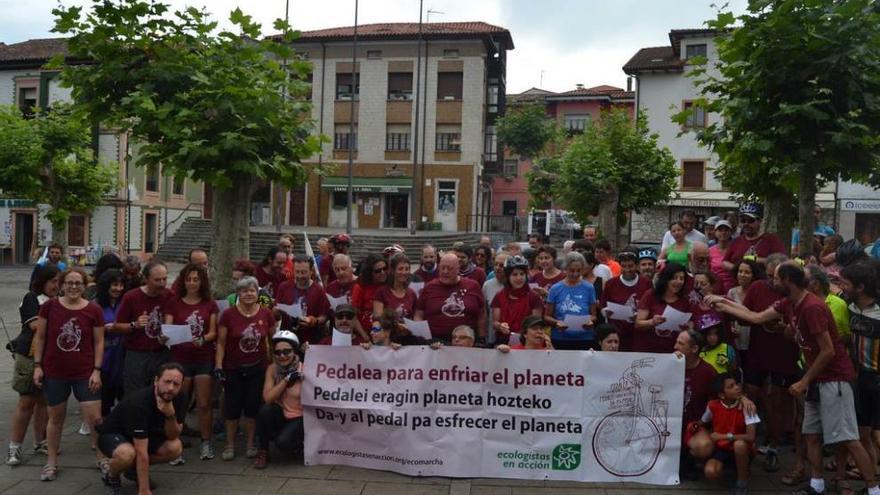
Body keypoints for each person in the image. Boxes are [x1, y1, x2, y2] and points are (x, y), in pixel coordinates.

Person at [707, 263, 879, 495]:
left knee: (848, 438)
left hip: (834, 379)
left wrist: (804, 380)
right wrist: (722, 302)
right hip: (816, 380)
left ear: (787, 280)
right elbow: (756, 317)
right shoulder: (789, 303)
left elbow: (828, 351)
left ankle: (873, 489)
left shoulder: (812, 307)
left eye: (775, 278)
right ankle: (816, 485)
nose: (771, 282)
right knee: (810, 435)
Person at [32, 267, 105, 482]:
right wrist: (38, 365)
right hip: (55, 372)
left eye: (78, 283)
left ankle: (102, 457)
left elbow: (99, 342)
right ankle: (52, 462)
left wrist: (97, 370)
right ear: (62, 285)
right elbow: (41, 338)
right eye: (69, 283)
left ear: (85, 286)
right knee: (55, 419)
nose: (73, 287)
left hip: (85, 372)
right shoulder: (49, 307)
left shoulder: (93, 310)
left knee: (95, 418)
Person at [733, 253, 796, 473]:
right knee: (751, 394)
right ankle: (748, 443)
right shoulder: (758, 287)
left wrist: (784, 328)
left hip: (784, 355)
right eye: (770, 277)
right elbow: (745, 317)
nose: (773, 282)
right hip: (757, 352)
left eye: (777, 278)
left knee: (778, 401)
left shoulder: (793, 293)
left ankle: (774, 447)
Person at [96, 363, 186, 495]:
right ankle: (111, 476)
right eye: (167, 382)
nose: (171, 388)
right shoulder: (139, 402)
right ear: (156, 381)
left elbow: (173, 435)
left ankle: (132, 469)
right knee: (126, 454)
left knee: (175, 447)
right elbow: (141, 451)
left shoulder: (180, 397)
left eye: (176, 384)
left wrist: (170, 416)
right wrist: (144, 490)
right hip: (114, 434)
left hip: (148, 435)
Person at [215, 276, 277, 461]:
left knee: (252, 408)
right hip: (233, 367)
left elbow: (274, 341)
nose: (249, 294)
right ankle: (230, 444)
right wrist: (218, 365)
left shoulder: (266, 313)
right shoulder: (228, 314)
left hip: (258, 367)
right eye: (244, 291)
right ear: (238, 294)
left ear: (257, 292)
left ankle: (251, 444)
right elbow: (221, 343)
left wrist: (274, 363)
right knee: (232, 408)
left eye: (252, 290)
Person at [162, 263, 219, 461]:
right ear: (182, 281)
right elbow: (167, 329)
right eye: (188, 279)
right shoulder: (174, 303)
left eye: (196, 279)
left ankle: (206, 442)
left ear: (202, 281)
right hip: (179, 359)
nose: (192, 283)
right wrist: (164, 337)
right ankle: (174, 443)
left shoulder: (209, 304)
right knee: (179, 402)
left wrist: (203, 339)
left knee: (204, 403)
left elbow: (213, 332)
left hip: (202, 358)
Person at [6, 264, 58, 466]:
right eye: (53, 281)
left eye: (57, 282)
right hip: (29, 356)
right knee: (26, 402)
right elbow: (36, 326)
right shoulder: (32, 298)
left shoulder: (57, 300)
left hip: (50, 357)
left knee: (44, 402)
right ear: (42, 281)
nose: (56, 285)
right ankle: (14, 447)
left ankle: (41, 441)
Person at [839, 261, 880, 479]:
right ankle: (871, 477)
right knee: (864, 433)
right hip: (859, 378)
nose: (841, 286)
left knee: (869, 434)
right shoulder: (851, 306)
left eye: (845, 283)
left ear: (861, 287)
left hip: (876, 380)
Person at [693, 373, 760, 495]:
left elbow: (751, 437)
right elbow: (702, 422)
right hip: (722, 448)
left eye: (736, 384)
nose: (737, 387)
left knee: (739, 445)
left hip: (742, 448)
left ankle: (742, 482)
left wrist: (724, 436)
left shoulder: (748, 406)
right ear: (721, 395)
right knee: (710, 472)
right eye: (731, 386)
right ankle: (732, 470)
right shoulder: (713, 405)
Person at [114, 261, 172, 395]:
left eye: (164, 279)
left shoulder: (169, 295)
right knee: (135, 395)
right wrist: (134, 324)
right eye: (157, 280)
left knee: (160, 393)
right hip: (137, 354)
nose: (162, 283)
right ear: (146, 279)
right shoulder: (131, 297)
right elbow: (117, 326)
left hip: (161, 352)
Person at [254, 331, 304, 469]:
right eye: (278, 352)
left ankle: (301, 445)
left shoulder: (305, 368)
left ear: (294, 351)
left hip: (300, 417)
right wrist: (286, 380)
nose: (282, 356)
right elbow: (268, 398)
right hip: (281, 414)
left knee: (283, 443)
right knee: (265, 410)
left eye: (287, 351)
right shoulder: (272, 369)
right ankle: (263, 451)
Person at [414, 253, 486, 343]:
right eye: (442, 268)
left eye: (450, 268)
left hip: (466, 343)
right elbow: (418, 314)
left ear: (458, 269)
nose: (445, 271)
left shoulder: (473, 286)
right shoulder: (429, 287)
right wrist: (422, 338)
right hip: (436, 343)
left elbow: (481, 315)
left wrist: (481, 338)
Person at [634, 263, 696, 353]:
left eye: (681, 278)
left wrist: (687, 328)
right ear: (666, 279)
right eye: (674, 278)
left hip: (672, 351)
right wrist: (652, 322)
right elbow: (638, 323)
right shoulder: (650, 295)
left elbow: (690, 326)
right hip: (647, 350)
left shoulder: (685, 300)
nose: (678, 281)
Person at [600, 250, 652, 352]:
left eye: (630, 266)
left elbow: (651, 306)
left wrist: (639, 316)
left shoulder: (646, 283)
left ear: (636, 266)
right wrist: (606, 312)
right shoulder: (611, 284)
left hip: (638, 334)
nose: (627, 270)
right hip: (617, 335)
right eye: (624, 266)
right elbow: (603, 305)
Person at [545, 252, 598, 350]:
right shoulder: (555, 288)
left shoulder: (589, 288)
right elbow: (547, 316)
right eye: (572, 270)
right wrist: (557, 322)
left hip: (584, 338)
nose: (575, 274)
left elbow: (594, 315)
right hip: (560, 338)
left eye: (579, 270)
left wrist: (590, 321)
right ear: (565, 269)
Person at [275, 255, 330, 344]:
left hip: (310, 341)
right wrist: (276, 310)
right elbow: (276, 313)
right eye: (297, 272)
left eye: (304, 272)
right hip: (288, 341)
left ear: (311, 271)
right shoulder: (284, 287)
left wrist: (313, 321)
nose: (300, 276)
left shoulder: (318, 290)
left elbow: (324, 316)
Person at [94, 269, 126, 419]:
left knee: (125, 401)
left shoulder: (125, 303)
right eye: (115, 285)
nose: (118, 289)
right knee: (103, 404)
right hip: (104, 360)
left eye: (121, 285)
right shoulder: (95, 306)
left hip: (122, 359)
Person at [491, 256, 543, 345]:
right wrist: (500, 326)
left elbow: (537, 324)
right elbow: (495, 323)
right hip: (504, 341)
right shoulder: (499, 295)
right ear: (508, 276)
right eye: (514, 274)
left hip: (527, 342)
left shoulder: (534, 297)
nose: (519, 278)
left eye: (522, 274)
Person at [722, 203, 785, 270]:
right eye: (743, 221)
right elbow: (725, 262)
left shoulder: (771, 240)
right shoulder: (737, 241)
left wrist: (757, 260)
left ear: (760, 221)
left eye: (750, 221)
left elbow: (782, 261)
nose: (746, 224)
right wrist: (737, 270)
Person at [726, 260, 765, 370]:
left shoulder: (759, 293)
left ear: (754, 275)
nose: (742, 275)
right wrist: (731, 328)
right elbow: (729, 316)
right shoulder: (732, 292)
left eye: (747, 272)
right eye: (740, 271)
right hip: (737, 340)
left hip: (754, 340)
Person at [805, 265, 850, 346]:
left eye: (804, 281)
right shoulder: (800, 302)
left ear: (816, 285)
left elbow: (847, 336)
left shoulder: (839, 304)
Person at [351, 254, 388, 338]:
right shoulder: (360, 286)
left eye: (385, 268)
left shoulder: (389, 284)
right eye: (378, 271)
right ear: (370, 272)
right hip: (365, 333)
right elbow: (353, 315)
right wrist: (364, 336)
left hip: (385, 334)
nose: (383, 272)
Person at [374, 253, 418, 320]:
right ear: (392, 270)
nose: (404, 272)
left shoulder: (412, 294)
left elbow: (415, 318)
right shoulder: (381, 292)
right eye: (400, 269)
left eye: (407, 269)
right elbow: (378, 318)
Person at [364, 309, 433, 349]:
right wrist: (365, 352)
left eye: (375, 330)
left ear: (387, 332)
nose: (371, 333)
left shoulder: (407, 342)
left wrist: (432, 347)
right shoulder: (371, 347)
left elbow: (426, 347)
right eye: (372, 330)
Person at [482, 252, 509, 342]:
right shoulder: (487, 285)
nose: (497, 268)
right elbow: (484, 312)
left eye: (501, 265)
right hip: (492, 337)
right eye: (496, 264)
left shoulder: (517, 284)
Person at [709, 220, 736, 293]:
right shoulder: (709, 251)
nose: (723, 233)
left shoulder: (736, 250)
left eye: (726, 230)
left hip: (732, 288)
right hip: (714, 287)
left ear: (731, 232)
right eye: (720, 230)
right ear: (715, 232)